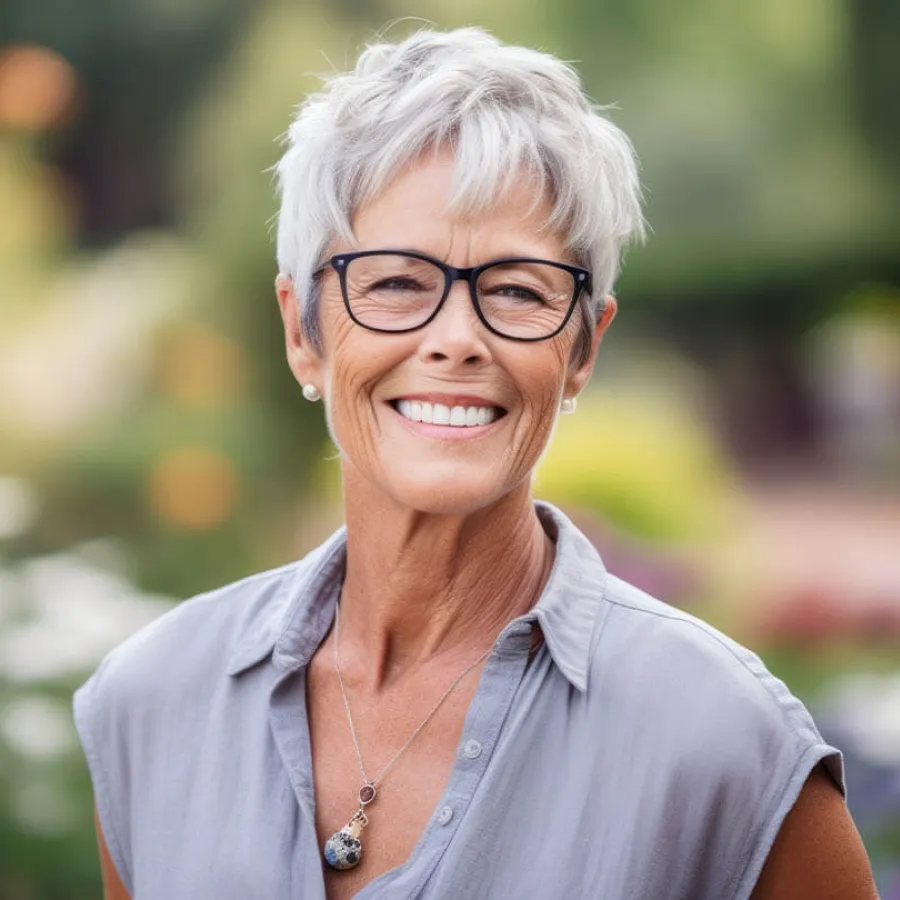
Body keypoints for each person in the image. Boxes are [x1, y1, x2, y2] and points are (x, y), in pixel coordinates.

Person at [74, 26, 879, 900]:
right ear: (302, 333)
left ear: (582, 351)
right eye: (392, 282)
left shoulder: (727, 747)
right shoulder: (151, 702)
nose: (456, 340)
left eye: (517, 290)